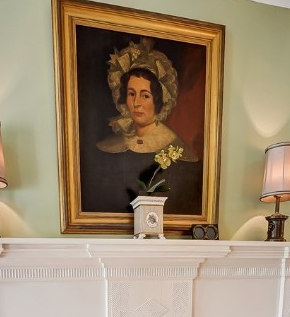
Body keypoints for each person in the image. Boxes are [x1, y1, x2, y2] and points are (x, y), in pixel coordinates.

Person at [80, 37, 202, 217]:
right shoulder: (107, 148)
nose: (136, 103)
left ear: (159, 100)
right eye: (131, 94)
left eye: (145, 96)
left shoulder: (182, 156)